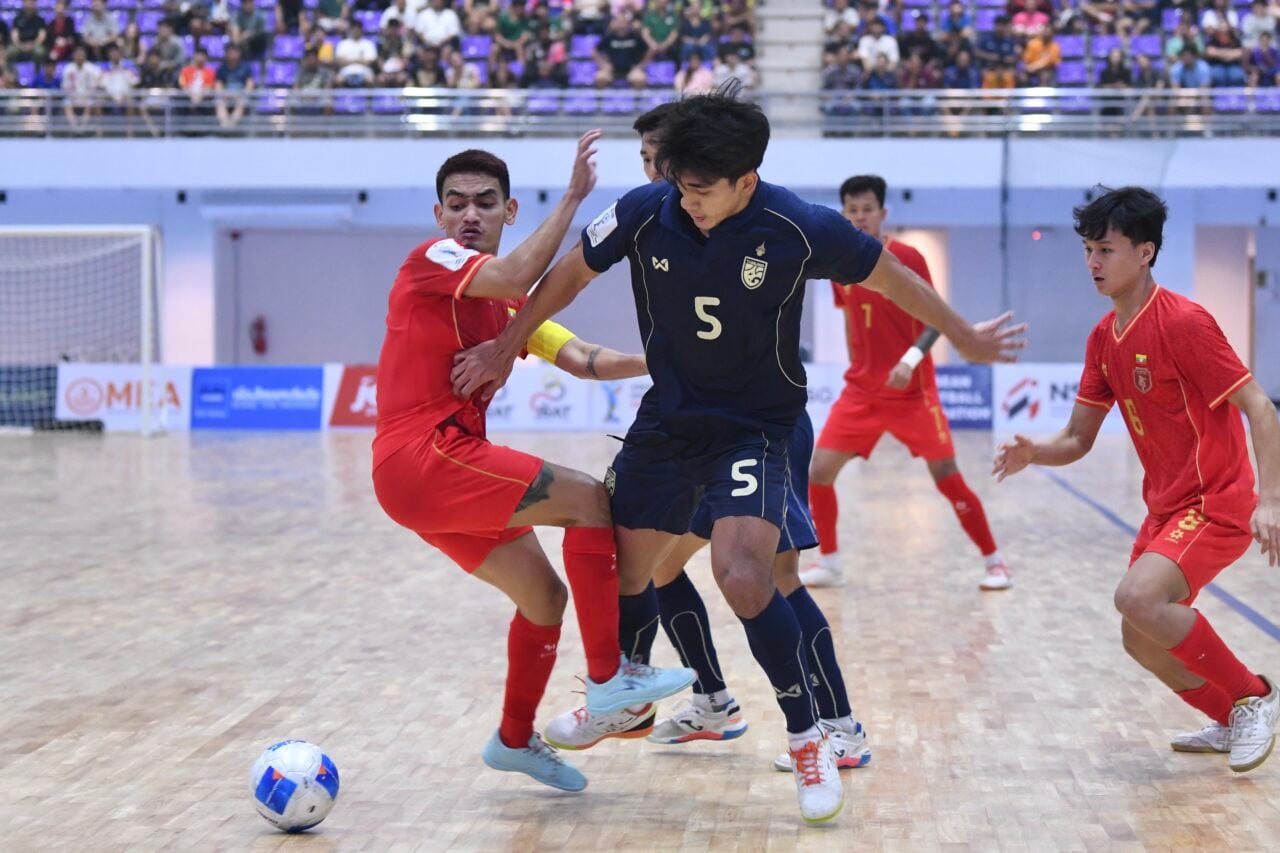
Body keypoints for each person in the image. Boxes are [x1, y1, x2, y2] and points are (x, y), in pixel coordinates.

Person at [450, 94, 1025, 824]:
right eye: (679, 185)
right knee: (624, 566)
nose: (686, 202)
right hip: (669, 419)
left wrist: (964, 336)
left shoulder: (798, 225)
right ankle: (626, 692)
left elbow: (889, 275)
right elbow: (569, 273)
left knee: (746, 575)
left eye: (700, 190)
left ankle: (811, 737)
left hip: (755, 425)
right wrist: (510, 343)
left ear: (745, 181)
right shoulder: (647, 208)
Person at [370, 134, 695, 793]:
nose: (469, 214)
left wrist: (668, 362)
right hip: (424, 456)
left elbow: (584, 359)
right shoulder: (430, 259)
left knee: (544, 599)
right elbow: (519, 273)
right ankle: (608, 678)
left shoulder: (510, 307)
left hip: (435, 475)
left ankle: (514, 739)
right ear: (438, 214)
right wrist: (574, 196)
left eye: (485, 203)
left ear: (509, 211)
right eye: (456, 203)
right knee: (590, 499)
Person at [611, 104, 873, 776]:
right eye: (649, 162)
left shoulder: (766, 223)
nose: (660, 175)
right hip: (693, 429)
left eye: (665, 162)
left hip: (761, 428)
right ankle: (713, 700)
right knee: (662, 566)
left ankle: (839, 725)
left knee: (775, 577)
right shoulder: (662, 218)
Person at [994, 186, 1280, 773]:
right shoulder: (1104, 338)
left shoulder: (1185, 323)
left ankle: (1254, 698)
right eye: (1087, 250)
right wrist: (1035, 452)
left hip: (1216, 501)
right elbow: (1078, 439)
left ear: (1145, 252)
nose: (1093, 263)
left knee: (1136, 598)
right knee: (1138, 635)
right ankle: (1229, 719)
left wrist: (1271, 500)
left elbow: (1260, 406)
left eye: (1106, 250)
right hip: (1165, 509)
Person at [802, 175, 1010, 591]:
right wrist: (859, 367)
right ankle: (830, 563)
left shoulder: (908, 257)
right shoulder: (841, 265)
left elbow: (937, 317)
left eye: (867, 210)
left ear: (883, 213)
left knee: (946, 474)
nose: (860, 217)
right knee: (818, 473)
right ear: (843, 213)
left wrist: (911, 360)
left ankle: (994, 562)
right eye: (852, 210)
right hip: (862, 392)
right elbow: (851, 321)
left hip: (913, 391)